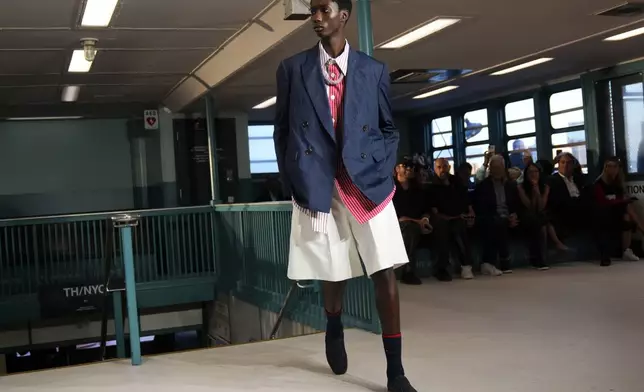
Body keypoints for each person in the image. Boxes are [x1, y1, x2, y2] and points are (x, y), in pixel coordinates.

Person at [273, 1, 416, 391]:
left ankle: (395, 372)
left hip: (367, 181)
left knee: (385, 268)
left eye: (324, 9)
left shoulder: (374, 70)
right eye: (312, 10)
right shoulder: (292, 69)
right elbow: (282, 132)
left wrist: (381, 169)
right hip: (320, 181)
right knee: (333, 270)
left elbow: (389, 129)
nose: (316, 17)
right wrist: (295, 180)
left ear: (344, 15)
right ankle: (333, 325)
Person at [592, 157, 644, 266]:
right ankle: (642, 229)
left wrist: (623, 200)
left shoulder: (617, 184)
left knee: (626, 214)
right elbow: (602, 202)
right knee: (626, 206)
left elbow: (620, 198)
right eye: (609, 166)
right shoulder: (598, 184)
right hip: (602, 214)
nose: (612, 169)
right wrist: (621, 201)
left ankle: (627, 250)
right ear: (605, 168)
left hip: (616, 212)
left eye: (615, 166)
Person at [473, 155, 520, 275]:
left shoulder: (510, 185)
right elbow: (481, 208)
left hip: (507, 216)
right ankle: (500, 260)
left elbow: (515, 204)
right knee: (497, 223)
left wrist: (513, 215)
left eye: (499, 167)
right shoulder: (483, 186)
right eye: (494, 168)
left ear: (504, 168)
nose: (497, 170)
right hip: (490, 216)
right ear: (490, 169)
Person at [430, 158, 476, 280]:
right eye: (439, 167)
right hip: (441, 218)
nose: (442, 170)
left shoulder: (456, 181)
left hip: (458, 216)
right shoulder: (432, 185)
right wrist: (450, 217)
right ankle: (441, 269)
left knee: (459, 227)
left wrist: (470, 213)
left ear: (449, 168)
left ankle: (466, 266)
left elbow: (465, 200)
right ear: (435, 169)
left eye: (444, 166)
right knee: (442, 228)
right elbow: (434, 210)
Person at [393, 158, 433, 285]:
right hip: (395, 225)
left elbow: (426, 208)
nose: (409, 169)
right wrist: (417, 222)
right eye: (405, 166)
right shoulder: (390, 188)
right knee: (409, 229)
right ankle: (408, 271)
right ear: (397, 169)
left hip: (416, 223)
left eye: (411, 166)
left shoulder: (418, 190)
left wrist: (425, 220)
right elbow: (399, 216)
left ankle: (443, 267)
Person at [516, 163, 550, 270]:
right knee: (536, 221)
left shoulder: (545, 187)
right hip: (525, 216)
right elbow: (529, 206)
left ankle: (540, 259)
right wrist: (534, 191)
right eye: (530, 172)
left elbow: (541, 207)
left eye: (536, 171)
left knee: (541, 223)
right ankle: (538, 259)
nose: (533, 174)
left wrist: (537, 191)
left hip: (539, 216)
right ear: (526, 174)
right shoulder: (520, 187)